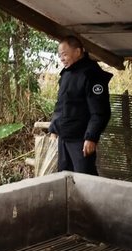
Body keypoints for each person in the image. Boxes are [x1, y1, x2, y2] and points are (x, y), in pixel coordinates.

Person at [48, 36, 112, 175]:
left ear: (77, 52)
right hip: (64, 138)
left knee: (85, 179)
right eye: (60, 55)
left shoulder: (92, 74)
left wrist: (91, 137)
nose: (62, 59)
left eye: (65, 54)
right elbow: (61, 105)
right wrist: (54, 128)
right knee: (64, 178)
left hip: (81, 140)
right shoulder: (66, 74)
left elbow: (100, 111)